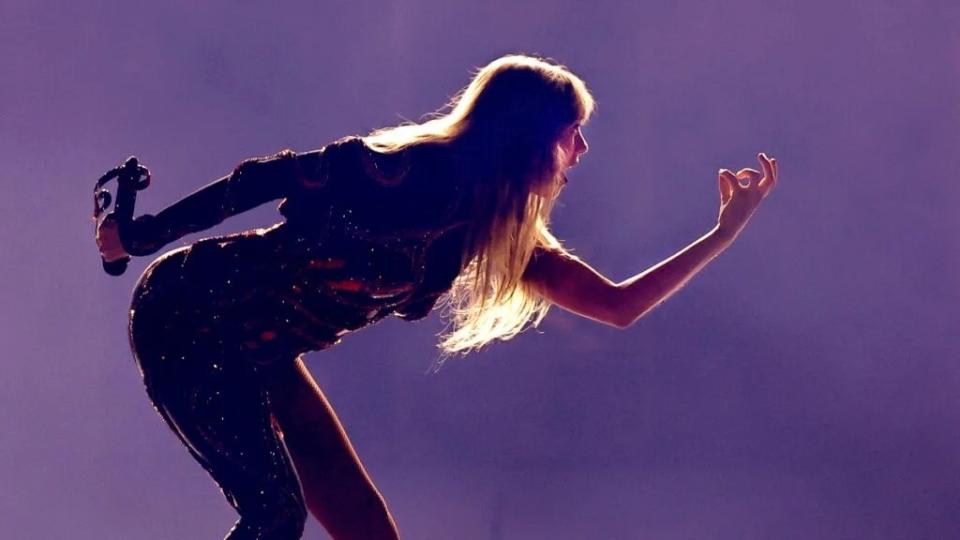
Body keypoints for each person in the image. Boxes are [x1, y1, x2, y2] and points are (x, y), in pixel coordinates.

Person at [94, 54, 778, 540]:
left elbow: (618, 306)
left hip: (264, 350)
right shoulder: (403, 173)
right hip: (189, 314)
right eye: (573, 131)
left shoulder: (497, 237)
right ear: (531, 137)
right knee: (274, 515)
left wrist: (725, 233)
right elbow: (263, 178)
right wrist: (139, 234)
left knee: (366, 532)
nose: (583, 149)